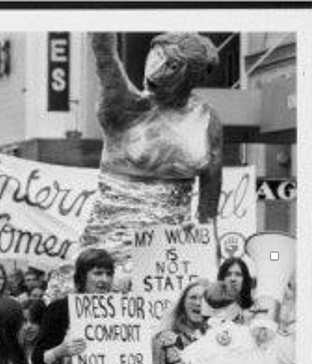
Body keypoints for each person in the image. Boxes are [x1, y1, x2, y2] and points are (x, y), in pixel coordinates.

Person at [83, 32, 222, 264]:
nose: (156, 69)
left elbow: (208, 211)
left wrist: (211, 261)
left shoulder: (206, 119)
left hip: (168, 258)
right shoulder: (125, 107)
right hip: (109, 248)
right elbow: (104, 52)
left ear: (187, 74)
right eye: (155, 56)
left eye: (170, 64)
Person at [217, 257, 255, 323]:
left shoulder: (254, 311)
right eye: (228, 274)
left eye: (238, 274)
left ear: (245, 280)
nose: (233, 279)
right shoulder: (213, 311)